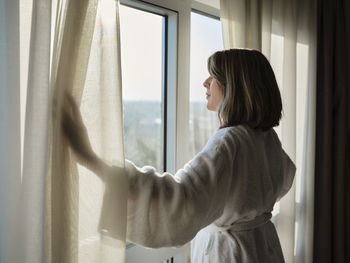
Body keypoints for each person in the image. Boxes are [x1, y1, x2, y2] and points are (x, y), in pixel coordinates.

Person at [61, 49, 296, 262]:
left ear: (234, 86)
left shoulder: (229, 140)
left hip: (231, 254)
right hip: (263, 248)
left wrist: (91, 158)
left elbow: (180, 199)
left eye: (213, 76)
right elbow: (284, 179)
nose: (206, 82)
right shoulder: (266, 138)